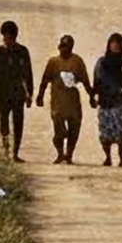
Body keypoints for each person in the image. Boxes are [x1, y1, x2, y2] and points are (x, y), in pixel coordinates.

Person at [36, 32, 91, 162]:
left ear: (71, 48)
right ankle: (60, 153)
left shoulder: (77, 61)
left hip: (72, 102)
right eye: (62, 46)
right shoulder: (53, 62)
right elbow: (45, 80)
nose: (63, 49)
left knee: (74, 129)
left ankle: (69, 154)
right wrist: (40, 96)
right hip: (58, 102)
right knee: (59, 132)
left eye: (67, 47)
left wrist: (91, 96)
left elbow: (85, 80)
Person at [0, 20, 34, 159]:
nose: (5, 40)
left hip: (18, 93)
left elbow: (28, 74)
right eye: (4, 37)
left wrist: (29, 94)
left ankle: (15, 153)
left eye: (8, 37)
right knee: (4, 122)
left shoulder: (22, 52)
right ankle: (6, 150)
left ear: (14, 37)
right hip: (2, 92)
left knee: (18, 123)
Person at [92, 34, 122, 167]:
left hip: (121, 102)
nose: (115, 46)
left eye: (118, 43)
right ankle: (107, 157)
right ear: (109, 45)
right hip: (106, 102)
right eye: (113, 43)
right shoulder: (102, 63)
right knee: (105, 133)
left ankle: (121, 158)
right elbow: (98, 79)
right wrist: (95, 94)